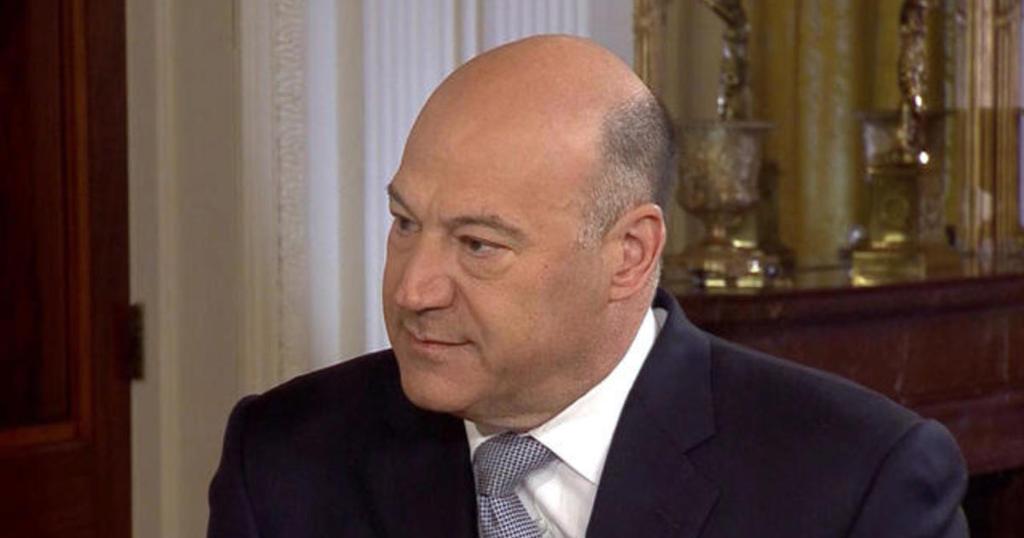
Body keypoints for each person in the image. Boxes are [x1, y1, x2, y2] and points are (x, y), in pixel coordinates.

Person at [208, 35, 968, 538]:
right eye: (405, 223)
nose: (413, 290)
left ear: (629, 255)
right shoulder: (283, 455)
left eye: (478, 244)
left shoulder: (856, 484)